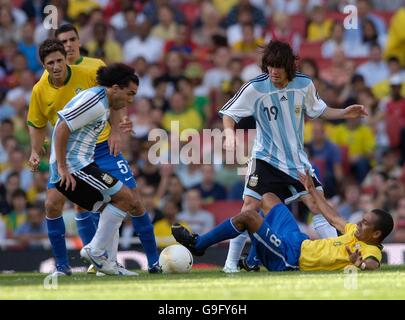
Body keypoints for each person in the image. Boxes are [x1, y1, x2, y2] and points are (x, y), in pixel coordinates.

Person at [220, 40, 368, 272]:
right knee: (249, 207)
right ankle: (230, 265)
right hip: (265, 158)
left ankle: (336, 257)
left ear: (289, 66)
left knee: (317, 205)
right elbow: (229, 113)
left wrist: (344, 113)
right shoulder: (255, 87)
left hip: (296, 161)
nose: (273, 72)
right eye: (269, 66)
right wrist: (229, 135)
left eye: (278, 67)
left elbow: (319, 110)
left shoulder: (304, 84)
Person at [27, 39, 159, 276]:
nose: (130, 101)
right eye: (129, 94)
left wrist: (118, 129)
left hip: (84, 161)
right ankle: (95, 252)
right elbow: (61, 127)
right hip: (75, 166)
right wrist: (63, 167)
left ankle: (106, 262)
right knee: (125, 198)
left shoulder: (100, 94)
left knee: (115, 202)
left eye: (60, 59)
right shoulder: (95, 102)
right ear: (116, 88)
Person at [172, 170, 394, 272]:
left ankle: (199, 244)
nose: (360, 223)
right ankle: (251, 262)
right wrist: (311, 190)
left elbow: (374, 264)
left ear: (375, 235)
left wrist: (360, 264)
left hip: (291, 258)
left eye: (365, 223)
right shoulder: (355, 231)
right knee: (267, 198)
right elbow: (333, 216)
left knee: (249, 217)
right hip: (299, 240)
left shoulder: (368, 249)